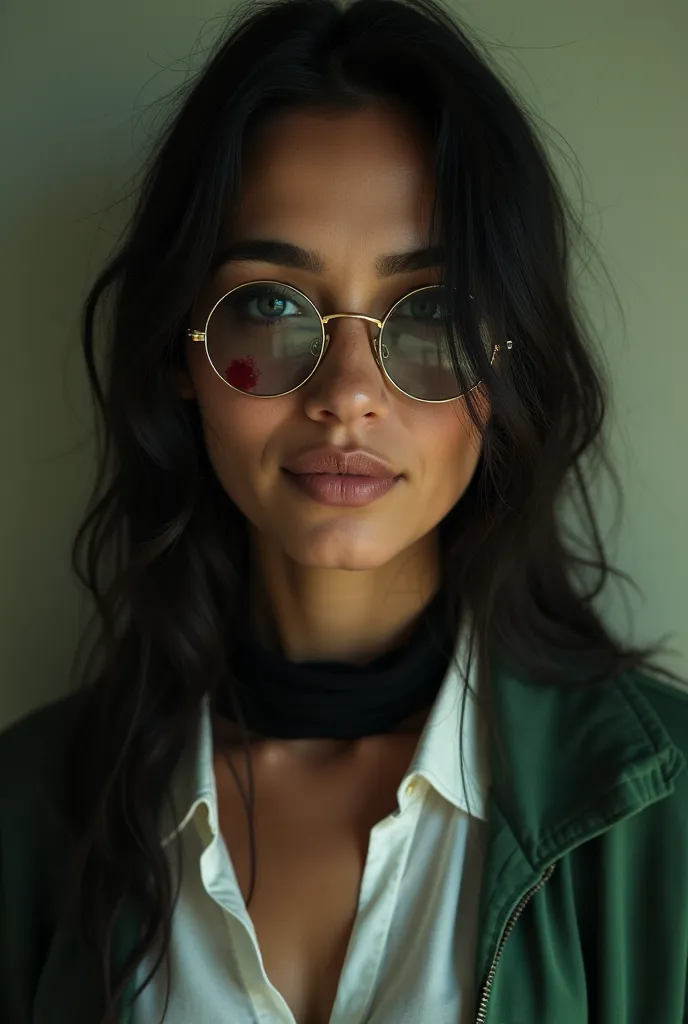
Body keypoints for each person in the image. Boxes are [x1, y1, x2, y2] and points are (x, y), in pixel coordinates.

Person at [1, 0, 687, 1022]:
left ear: (507, 364)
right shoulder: (27, 814)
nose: (348, 391)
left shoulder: (659, 813)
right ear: (179, 357)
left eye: (434, 315)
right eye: (271, 306)